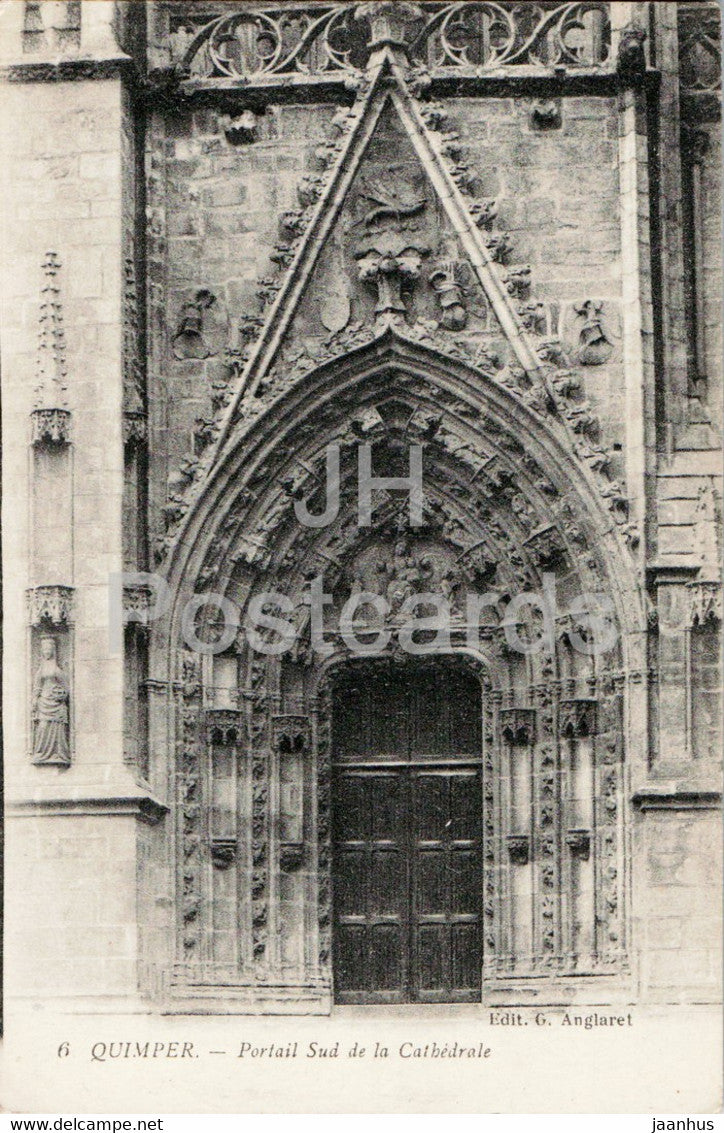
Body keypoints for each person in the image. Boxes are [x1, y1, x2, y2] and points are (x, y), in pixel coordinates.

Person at [32, 635, 70, 765]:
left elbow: (66, 687)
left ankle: (59, 753)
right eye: (44, 650)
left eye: (49, 649)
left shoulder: (57, 670)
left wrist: (61, 695)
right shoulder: (41, 670)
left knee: (57, 728)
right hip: (44, 703)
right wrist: (34, 700)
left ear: (53, 651)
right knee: (42, 727)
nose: (47, 652)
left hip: (56, 704)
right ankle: (41, 753)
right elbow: (37, 686)